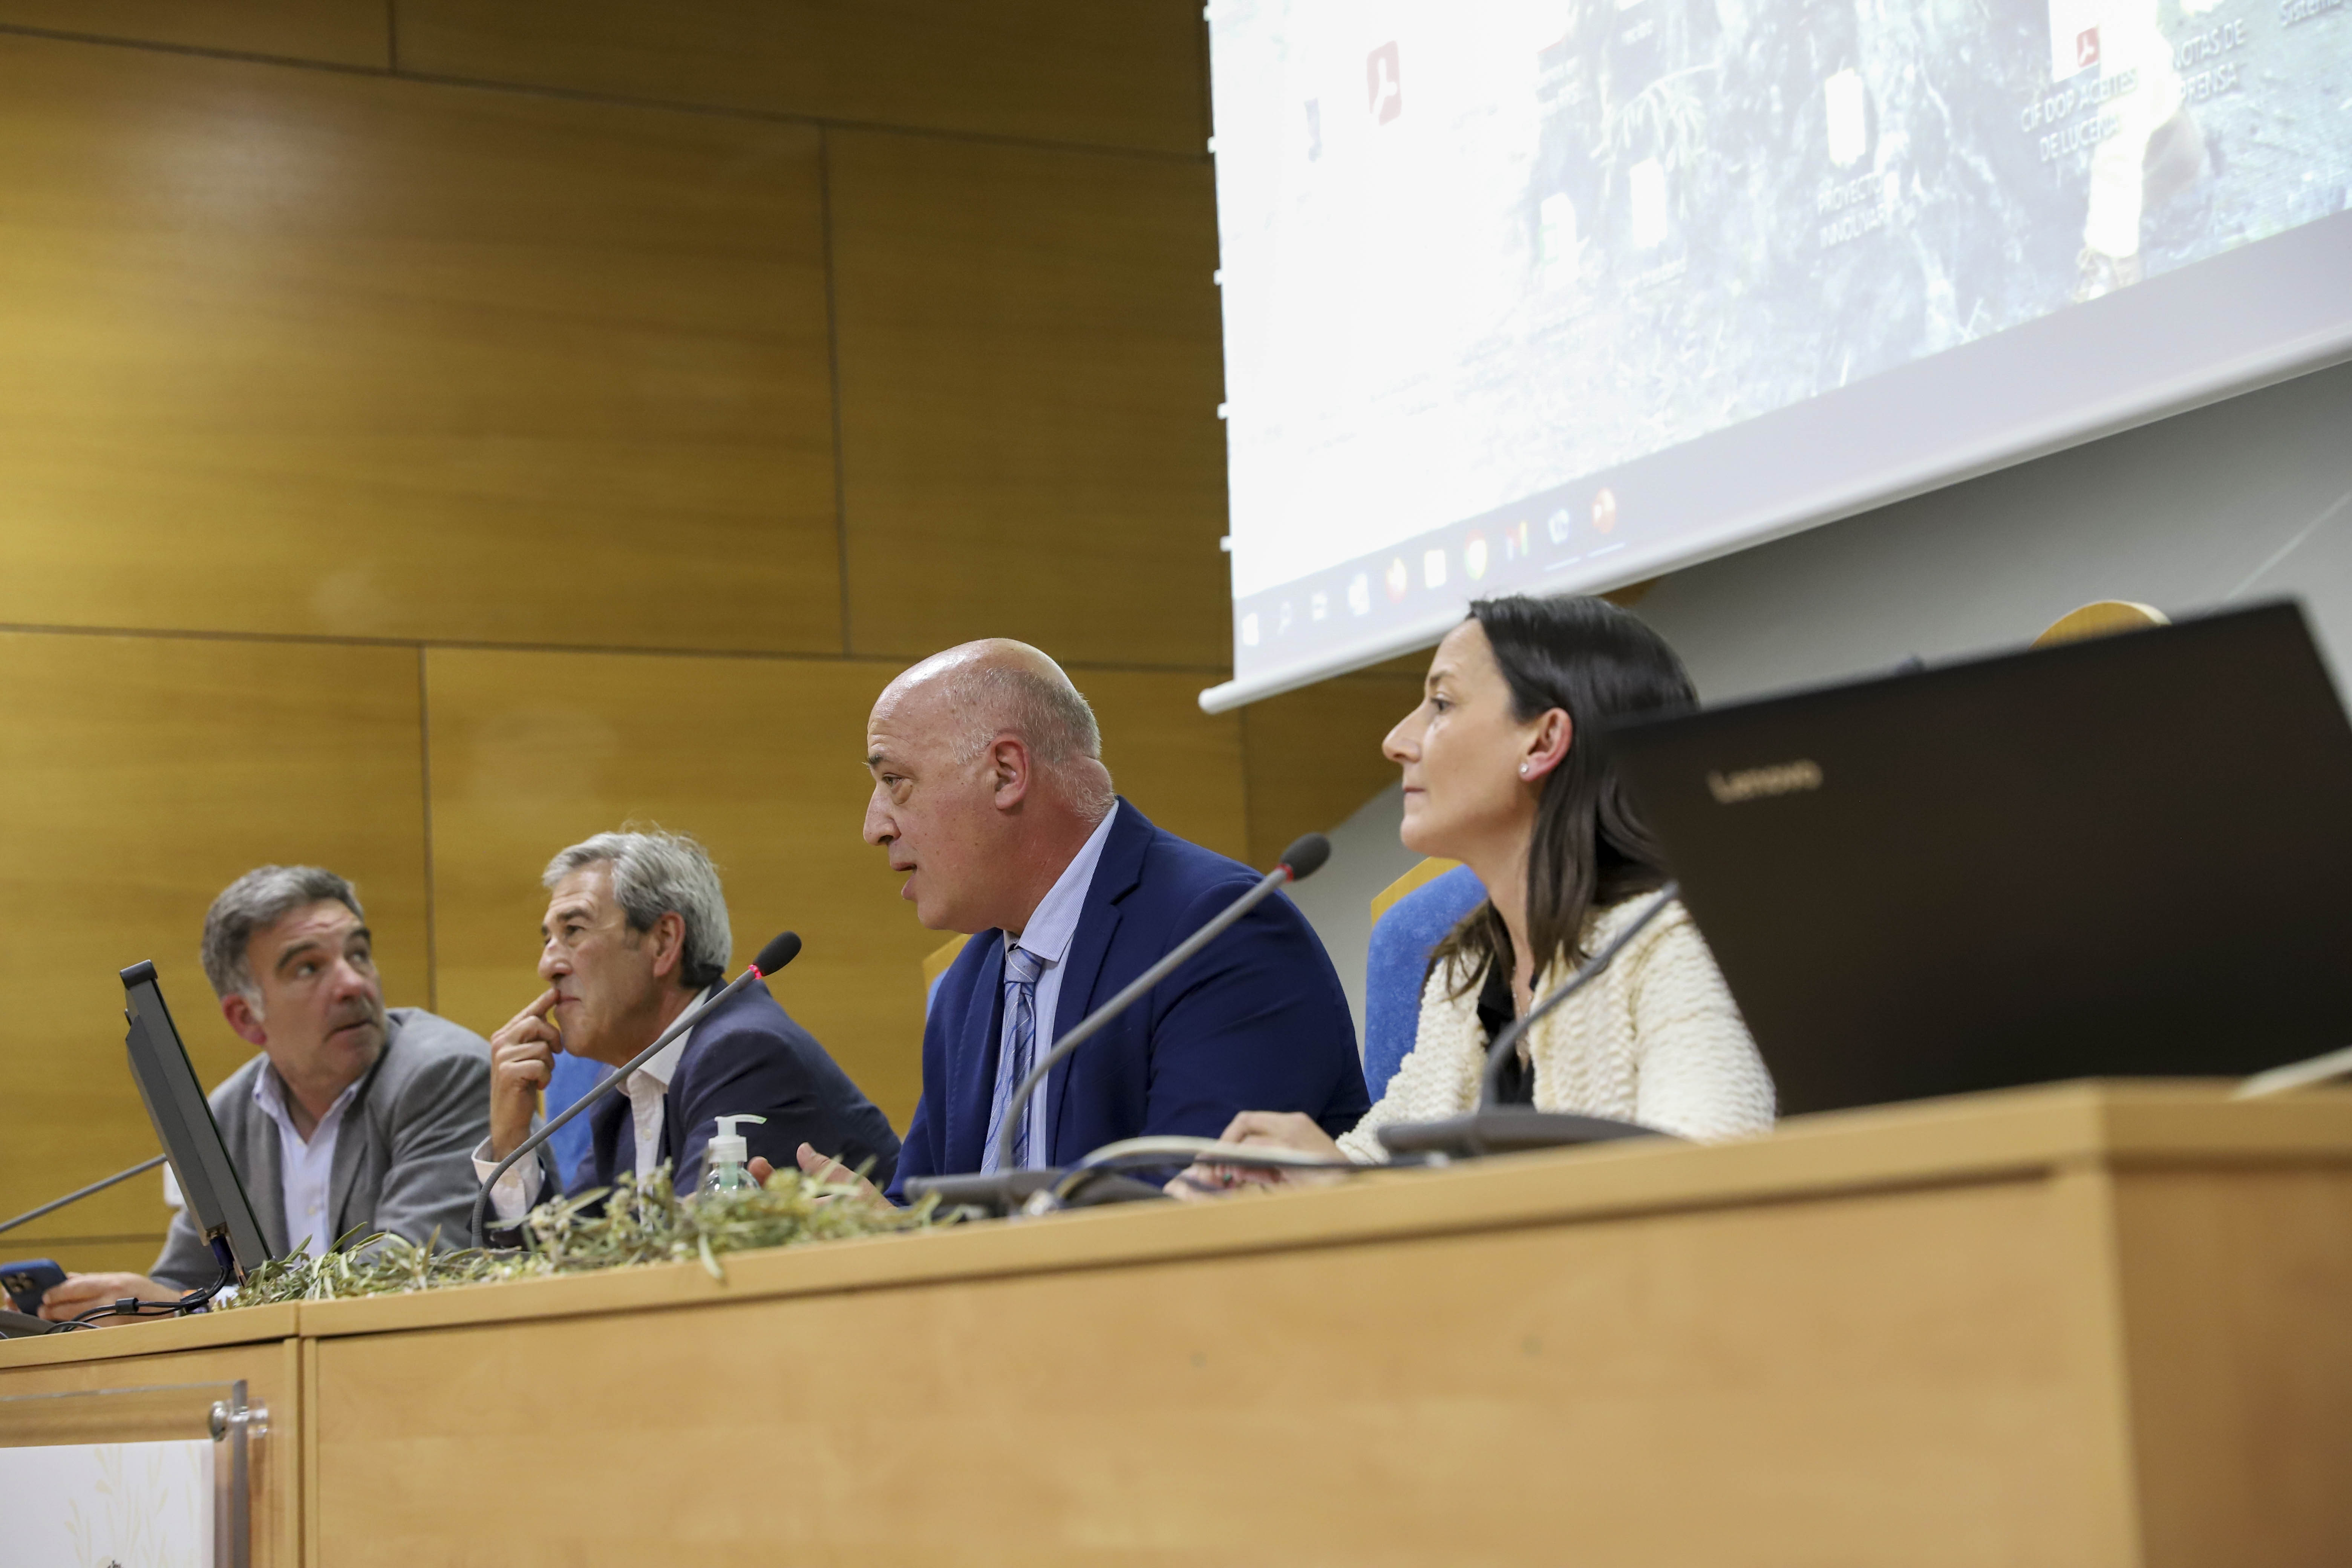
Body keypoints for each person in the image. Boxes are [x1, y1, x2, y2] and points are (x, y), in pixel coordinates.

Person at [1181, 595, 1774, 1193]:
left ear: (1542, 743)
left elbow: (1712, 1195)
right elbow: (1372, 1162)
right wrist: (1275, 1183)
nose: (1396, 741)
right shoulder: (1468, 974)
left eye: (1441, 704)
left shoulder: (1681, 944)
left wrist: (1357, 1195)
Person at [797, 639, 1365, 1199]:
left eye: (895, 782)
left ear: (1005, 772)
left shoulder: (1219, 932)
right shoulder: (968, 983)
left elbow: (1188, 1214)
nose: (876, 827)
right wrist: (879, 1231)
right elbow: (929, 1208)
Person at [39, 866, 493, 1323]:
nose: (354, 984)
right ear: (246, 1018)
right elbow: (186, 1280)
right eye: (309, 967)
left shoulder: (442, 1074)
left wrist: (182, 1310)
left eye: (358, 954)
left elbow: (401, 1273)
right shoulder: (227, 1116)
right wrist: (106, 1306)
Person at [477, 830, 898, 1225]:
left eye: (573, 930)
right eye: (547, 939)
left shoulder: (743, 1054)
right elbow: (567, 1261)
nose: (547, 965)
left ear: (663, 941)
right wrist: (513, 1139)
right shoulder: (624, 1082)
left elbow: (688, 1268)